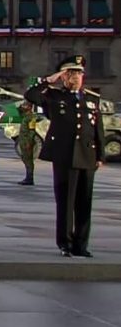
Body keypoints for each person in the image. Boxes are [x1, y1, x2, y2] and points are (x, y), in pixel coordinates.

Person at [24, 55, 105, 258]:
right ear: (63, 77)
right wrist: (48, 80)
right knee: (66, 203)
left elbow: (98, 130)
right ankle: (65, 244)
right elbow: (31, 95)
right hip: (65, 155)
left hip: (87, 155)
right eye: (70, 74)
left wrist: (100, 155)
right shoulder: (54, 96)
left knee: (85, 203)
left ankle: (81, 245)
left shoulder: (92, 99)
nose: (75, 78)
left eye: (78, 73)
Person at [17, 102, 40, 186]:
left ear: (29, 107)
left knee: (28, 160)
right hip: (23, 141)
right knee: (25, 158)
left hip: (27, 141)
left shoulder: (31, 117)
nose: (23, 106)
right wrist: (21, 106)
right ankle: (28, 177)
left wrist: (29, 142)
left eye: (25, 105)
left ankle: (29, 178)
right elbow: (18, 110)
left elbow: (32, 130)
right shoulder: (25, 115)